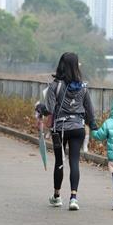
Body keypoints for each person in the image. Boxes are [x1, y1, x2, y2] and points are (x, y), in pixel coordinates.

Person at [35, 52, 98, 211]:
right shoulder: (83, 87)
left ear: (61, 65)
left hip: (60, 129)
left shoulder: (54, 86)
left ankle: (57, 196)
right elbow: (90, 111)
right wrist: (94, 127)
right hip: (78, 128)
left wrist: (39, 107)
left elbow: (49, 110)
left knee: (59, 162)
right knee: (74, 162)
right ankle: (73, 198)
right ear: (76, 66)